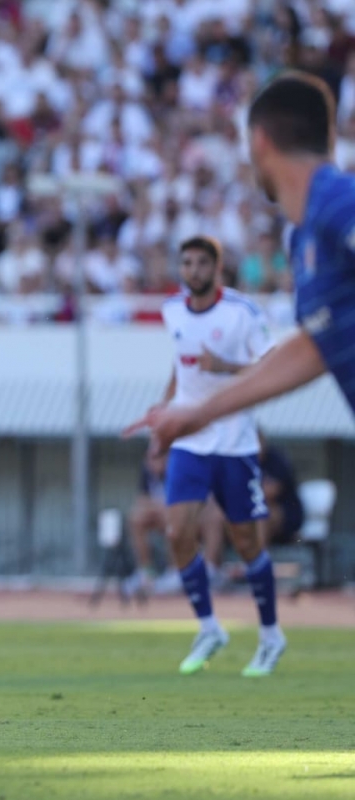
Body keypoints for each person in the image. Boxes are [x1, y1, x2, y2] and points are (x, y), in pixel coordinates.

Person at [133, 73, 355, 454]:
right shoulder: (304, 237)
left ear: (259, 141)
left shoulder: (337, 200)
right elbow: (312, 348)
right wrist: (199, 413)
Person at [141, 236, 282, 676]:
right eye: (186, 262)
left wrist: (225, 367)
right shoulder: (172, 311)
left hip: (234, 441)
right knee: (177, 531)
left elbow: (272, 366)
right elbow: (180, 368)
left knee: (246, 543)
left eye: (202, 263)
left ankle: (271, 635)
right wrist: (163, 418)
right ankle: (209, 627)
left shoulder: (242, 313)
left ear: (217, 269)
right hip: (189, 438)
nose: (193, 270)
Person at [124, 450, 224, 599]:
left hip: (195, 519)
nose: (154, 463)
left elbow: (196, 502)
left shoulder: (182, 467)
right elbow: (142, 500)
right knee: (136, 517)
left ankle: (185, 570)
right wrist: (159, 507)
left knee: (174, 516)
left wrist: (166, 508)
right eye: (151, 459)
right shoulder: (148, 471)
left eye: (159, 458)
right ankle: (146, 572)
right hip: (162, 514)